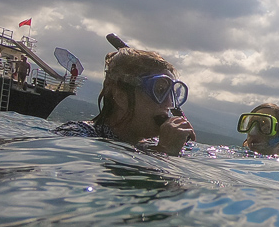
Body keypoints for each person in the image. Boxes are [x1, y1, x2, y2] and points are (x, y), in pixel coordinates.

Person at [53, 48, 194, 156]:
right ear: (121, 97)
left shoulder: (150, 145)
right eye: (160, 90)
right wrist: (165, 151)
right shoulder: (75, 136)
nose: (169, 103)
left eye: (173, 94)